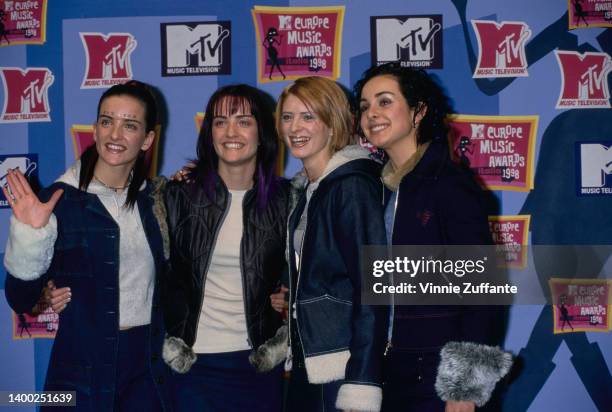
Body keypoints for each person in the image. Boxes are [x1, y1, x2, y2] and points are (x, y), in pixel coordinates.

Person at [3, 80, 173, 411]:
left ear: (147, 140)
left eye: (130, 125)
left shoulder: (158, 202)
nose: (115, 134)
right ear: (94, 130)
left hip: (147, 371)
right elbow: (19, 299)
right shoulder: (57, 201)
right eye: (107, 121)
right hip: (80, 370)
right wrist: (31, 235)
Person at [354, 62, 512, 412]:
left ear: (418, 111)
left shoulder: (450, 185)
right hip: (387, 369)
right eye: (365, 106)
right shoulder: (378, 190)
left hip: (439, 377)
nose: (372, 114)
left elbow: (483, 290)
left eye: (384, 101)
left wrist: (465, 387)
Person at [161, 84, 288, 412]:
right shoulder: (176, 197)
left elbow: (310, 274)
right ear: (209, 134)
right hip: (192, 366)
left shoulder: (288, 201)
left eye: (244, 121)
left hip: (259, 366)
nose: (230, 131)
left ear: (263, 132)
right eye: (219, 121)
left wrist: (291, 297)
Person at [271, 76, 387, 412]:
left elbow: (375, 286)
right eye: (288, 116)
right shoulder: (312, 189)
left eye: (309, 116)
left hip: (342, 365)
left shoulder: (351, 186)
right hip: (312, 357)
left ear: (333, 122)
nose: (295, 127)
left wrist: (362, 381)